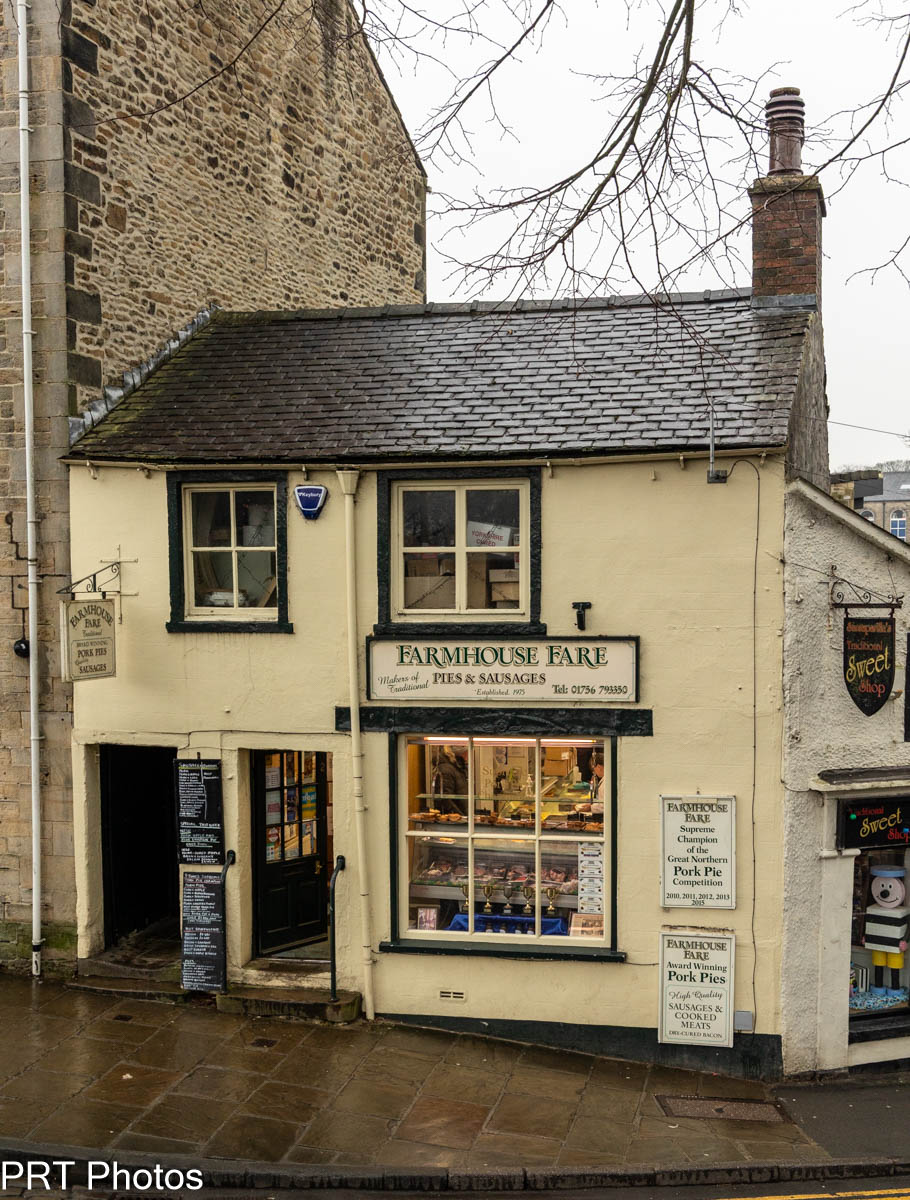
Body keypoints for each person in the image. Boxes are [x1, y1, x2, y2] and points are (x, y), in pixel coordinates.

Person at [432, 747, 468, 814]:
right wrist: (460, 816)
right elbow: (445, 800)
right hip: (454, 818)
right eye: (467, 751)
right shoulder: (446, 770)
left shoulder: (458, 768)